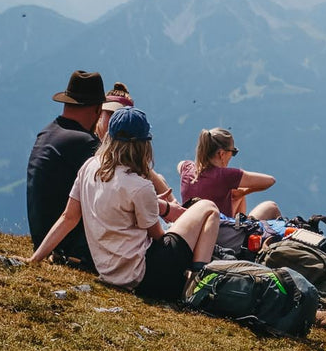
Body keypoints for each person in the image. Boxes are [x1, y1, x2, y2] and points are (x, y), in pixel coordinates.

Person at [30, 107, 221, 302]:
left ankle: (197, 281)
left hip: (110, 273)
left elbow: (67, 218)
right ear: (144, 144)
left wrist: (35, 258)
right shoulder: (140, 186)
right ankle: (198, 285)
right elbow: (158, 237)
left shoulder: (89, 167)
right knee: (208, 207)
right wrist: (172, 220)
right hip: (147, 275)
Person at [26, 70, 105, 272]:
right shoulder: (86, 144)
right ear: (97, 110)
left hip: (44, 240)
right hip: (72, 250)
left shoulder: (46, 133)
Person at [96, 83, 183, 223]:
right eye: (110, 114)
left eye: (119, 117)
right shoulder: (89, 149)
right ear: (99, 113)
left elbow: (148, 172)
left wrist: (172, 204)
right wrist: (162, 206)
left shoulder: (123, 155)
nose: (114, 122)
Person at [178, 128, 281, 221]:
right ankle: (243, 235)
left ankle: (241, 225)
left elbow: (180, 164)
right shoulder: (226, 176)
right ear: (222, 154)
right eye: (233, 152)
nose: (232, 156)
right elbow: (270, 180)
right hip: (220, 232)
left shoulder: (187, 168)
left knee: (237, 195)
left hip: (191, 228)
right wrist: (245, 191)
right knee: (271, 207)